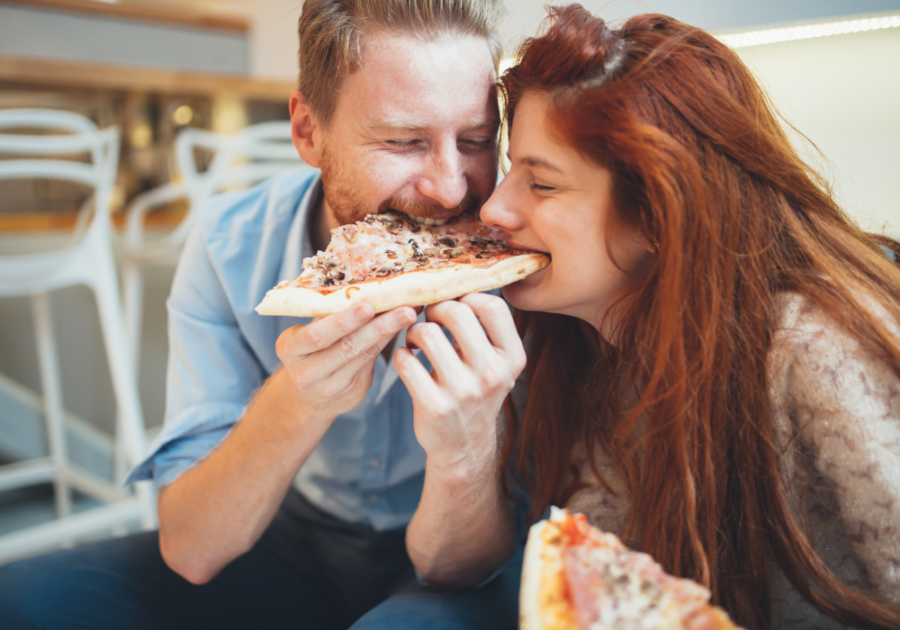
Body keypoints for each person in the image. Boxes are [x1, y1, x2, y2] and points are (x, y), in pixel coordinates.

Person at [0, 1, 525, 628]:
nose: (451, 187)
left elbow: (465, 565)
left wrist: (467, 452)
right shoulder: (229, 246)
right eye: (403, 141)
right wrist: (298, 401)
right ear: (307, 131)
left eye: (475, 140)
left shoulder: (526, 259)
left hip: (465, 552)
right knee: (24, 600)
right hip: (292, 538)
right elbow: (193, 548)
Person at [478, 5, 900, 629]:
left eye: (542, 185)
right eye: (511, 169)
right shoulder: (592, 353)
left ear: (656, 214)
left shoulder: (815, 348)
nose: (493, 208)